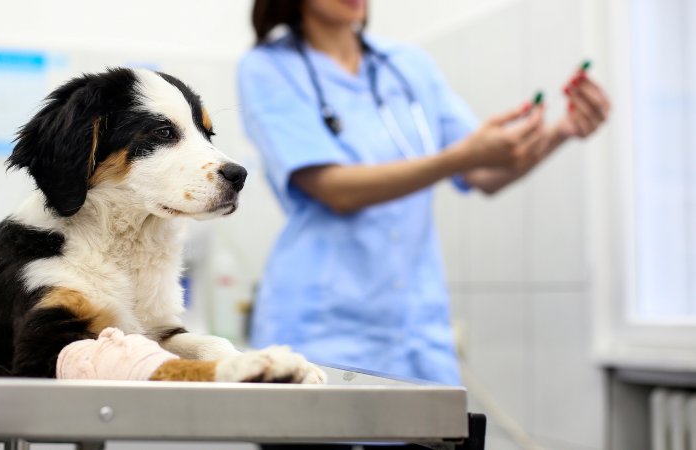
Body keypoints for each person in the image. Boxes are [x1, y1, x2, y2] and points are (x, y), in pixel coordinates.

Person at [238, 0, 610, 385]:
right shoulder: (268, 67)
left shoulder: (408, 64)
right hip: (320, 329)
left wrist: (561, 131)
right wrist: (457, 158)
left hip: (416, 333)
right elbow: (334, 189)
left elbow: (485, 172)